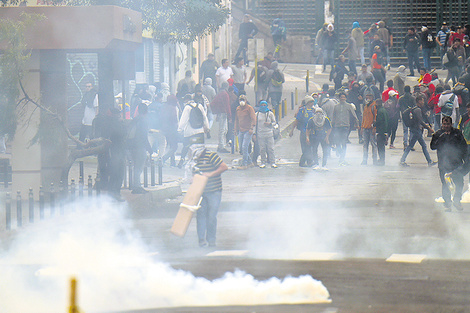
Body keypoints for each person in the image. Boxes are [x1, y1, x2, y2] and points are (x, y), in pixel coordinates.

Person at [193, 146, 228, 247]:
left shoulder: (211, 155)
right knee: (200, 215)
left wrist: (210, 174)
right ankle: (201, 240)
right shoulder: (193, 159)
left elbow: (224, 167)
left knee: (211, 216)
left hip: (214, 191)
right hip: (200, 191)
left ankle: (211, 240)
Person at [431, 115, 467, 211]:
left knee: (459, 183)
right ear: (442, 124)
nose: (446, 126)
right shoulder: (438, 134)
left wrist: (465, 159)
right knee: (445, 184)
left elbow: (463, 147)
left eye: (448, 124)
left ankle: (456, 200)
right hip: (443, 164)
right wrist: (441, 138)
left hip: (456, 163)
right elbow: (432, 146)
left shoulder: (457, 133)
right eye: (444, 124)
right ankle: (447, 204)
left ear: (451, 124)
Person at [400, 94, 436, 167]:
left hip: (415, 129)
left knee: (422, 145)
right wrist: (429, 128)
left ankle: (429, 161)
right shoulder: (418, 110)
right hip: (417, 130)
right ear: (419, 101)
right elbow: (420, 121)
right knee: (411, 146)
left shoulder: (415, 109)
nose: (423, 102)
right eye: (422, 100)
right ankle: (402, 160)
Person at [177, 94, 210, 171]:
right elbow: (204, 117)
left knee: (186, 146)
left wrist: (180, 129)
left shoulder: (187, 107)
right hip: (200, 131)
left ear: (186, 100)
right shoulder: (200, 106)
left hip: (189, 133)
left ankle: (181, 160)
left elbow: (183, 120)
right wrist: (207, 127)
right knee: (200, 148)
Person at [127, 103, 153, 194]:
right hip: (140, 146)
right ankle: (137, 186)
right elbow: (144, 136)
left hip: (131, 146)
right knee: (139, 167)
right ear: (146, 111)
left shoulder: (134, 120)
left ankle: (136, 185)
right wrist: (149, 148)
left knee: (136, 167)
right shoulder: (144, 121)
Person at [332, 91, 358, 166]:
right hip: (337, 126)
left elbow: (354, 115)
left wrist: (357, 123)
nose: (342, 98)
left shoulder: (349, 106)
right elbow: (334, 116)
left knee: (343, 142)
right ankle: (339, 152)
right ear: (339, 98)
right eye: (341, 97)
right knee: (337, 142)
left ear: (346, 98)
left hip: (345, 126)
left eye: (344, 97)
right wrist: (331, 125)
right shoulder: (336, 106)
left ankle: (342, 158)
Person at [289, 96, 316, 167]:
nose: (312, 103)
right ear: (307, 102)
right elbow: (297, 120)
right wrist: (292, 130)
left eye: (313, 101)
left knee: (310, 147)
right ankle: (302, 162)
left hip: (312, 132)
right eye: (311, 101)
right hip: (304, 132)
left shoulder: (314, 110)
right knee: (305, 148)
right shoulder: (302, 110)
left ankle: (309, 161)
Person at [253, 100, 277, 168]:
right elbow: (254, 125)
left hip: (269, 134)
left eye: (264, 105)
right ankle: (263, 162)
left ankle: (272, 162)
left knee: (271, 148)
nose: (263, 106)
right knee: (262, 149)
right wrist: (254, 134)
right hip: (260, 134)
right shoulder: (256, 114)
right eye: (262, 105)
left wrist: (270, 124)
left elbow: (274, 122)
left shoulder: (270, 114)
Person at [235, 94, 256, 170]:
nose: (242, 101)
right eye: (240, 100)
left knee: (245, 147)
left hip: (248, 130)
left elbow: (253, 119)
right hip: (241, 130)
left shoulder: (249, 108)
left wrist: (251, 128)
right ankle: (250, 162)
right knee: (241, 148)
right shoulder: (238, 109)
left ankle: (244, 164)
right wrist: (235, 129)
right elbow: (236, 120)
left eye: (243, 100)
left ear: (246, 101)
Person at [210, 82, 231, 153]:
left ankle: (221, 145)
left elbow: (213, 103)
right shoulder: (225, 94)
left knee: (223, 130)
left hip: (220, 113)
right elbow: (227, 105)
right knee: (223, 130)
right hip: (223, 113)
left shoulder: (219, 93)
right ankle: (221, 146)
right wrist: (229, 114)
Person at [160, 95, 179, 167]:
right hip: (172, 129)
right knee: (174, 146)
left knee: (171, 145)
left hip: (164, 128)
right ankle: (164, 158)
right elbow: (174, 119)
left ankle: (173, 162)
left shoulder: (163, 106)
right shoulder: (173, 108)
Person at [361, 89, 378, 165]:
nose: (367, 99)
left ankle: (374, 160)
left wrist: (374, 128)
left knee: (373, 145)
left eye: (369, 97)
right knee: (365, 145)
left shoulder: (374, 106)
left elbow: (375, 118)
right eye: (366, 97)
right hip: (365, 128)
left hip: (371, 129)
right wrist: (362, 127)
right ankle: (364, 160)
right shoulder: (365, 106)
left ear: (372, 97)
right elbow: (363, 118)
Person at [398, 85, 416, 150]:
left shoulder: (401, 98)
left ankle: (405, 144)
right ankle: (411, 144)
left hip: (404, 115)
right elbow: (415, 106)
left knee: (405, 130)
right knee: (411, 130)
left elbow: (398, 107)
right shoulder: (412, 98)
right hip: (411, 115)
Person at [375, 99, 389, 165]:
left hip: (381, 131)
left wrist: (374, 124)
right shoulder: (384, 110)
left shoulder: (380, 111)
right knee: (382, 146)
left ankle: (381, 160)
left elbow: (379, 121)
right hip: (385, 130)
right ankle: (382, 159)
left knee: (380, 146)